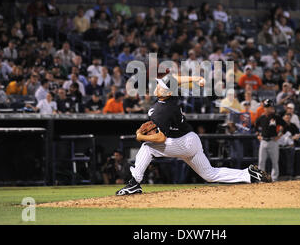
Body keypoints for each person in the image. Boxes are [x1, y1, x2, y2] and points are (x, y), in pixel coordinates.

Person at [116, 74, 271, 195]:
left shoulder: (162, 110)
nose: (157, 86)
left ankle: (134, 183)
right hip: (190, 139)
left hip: (182, 142)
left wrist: (140, 136)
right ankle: (248, 174)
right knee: (209, 174)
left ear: (168, 92)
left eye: (161, 85)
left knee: (147, 146)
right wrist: (195, 78)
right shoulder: (170, 96)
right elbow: (175, 79)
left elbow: (161, 138)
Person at [254, 99, 285, 182]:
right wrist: (258, 135)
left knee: (274, 162)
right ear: (265, 108)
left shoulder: (276, 117)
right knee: (261, 161)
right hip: (263, 141)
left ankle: (274, 179)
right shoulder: (261, 118)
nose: (270, 108)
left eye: (271, 106)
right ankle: (261, 179)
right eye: (268, 106)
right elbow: (255, 127)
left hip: (273, 141)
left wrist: (279, 135)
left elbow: (285, 125)